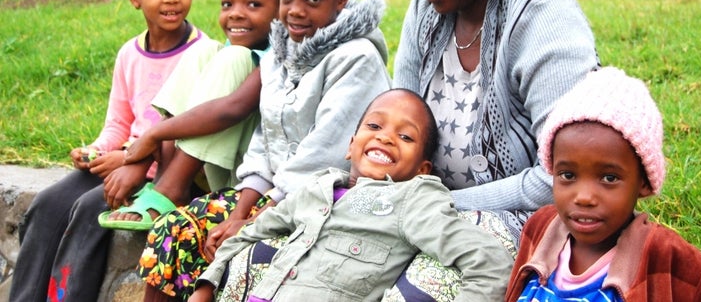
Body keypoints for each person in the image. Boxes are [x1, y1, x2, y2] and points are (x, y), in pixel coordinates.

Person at [130, 0, 392, 301]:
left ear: (341, 0)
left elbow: (325, 156)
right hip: (270, 198)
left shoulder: (356, 58)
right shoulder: (279, 54)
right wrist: (238, 213)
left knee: (243, 253)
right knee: (175, 230)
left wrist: (254, 221)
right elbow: (265, 141)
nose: (296, 11)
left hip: (327, 203)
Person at [389, 0, 600, 299]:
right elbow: (399, 119)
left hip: (524, 221)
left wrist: (443, 205)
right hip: (424, 211)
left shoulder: (543, 17)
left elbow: (563, 177)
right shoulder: (425, 7)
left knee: (409, 294)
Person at [9, 0, 216, 302]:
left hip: (164, 174)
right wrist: (95, 150)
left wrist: (133, 160)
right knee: (47, 203)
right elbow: (119, 124)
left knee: (90, 208)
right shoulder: (129, 55)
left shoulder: (204, 53)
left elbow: (192, 133)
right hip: (122, 160)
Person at [188, 88, 514, 302]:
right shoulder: (317, 189)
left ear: (422, 169)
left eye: (404, 135)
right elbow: (251, 233)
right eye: (374, 126)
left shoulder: (412, 198)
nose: (386, 138)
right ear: (350, 145)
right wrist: (204, 288)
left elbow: (490, 262)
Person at [505, 66, 701, 301]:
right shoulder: (541, 228)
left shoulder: (663, 254)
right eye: (567, 175)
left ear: (644, 182)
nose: (584, 197)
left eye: (609, 178)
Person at [98, 0, 280, 230]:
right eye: (227, 4)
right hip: (208, 170)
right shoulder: (213, 52)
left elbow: (231, 108)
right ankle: (165, 178)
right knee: (204, 50)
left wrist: (153, 133)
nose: (235, 14)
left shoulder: (277, 57)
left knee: (236, 57)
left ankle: (172, 188)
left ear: (281, 9)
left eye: (253, 4)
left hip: (247, 179)